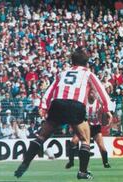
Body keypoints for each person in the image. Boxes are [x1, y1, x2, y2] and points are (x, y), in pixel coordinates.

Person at [14, 48, 115, 180]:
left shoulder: (62, 73)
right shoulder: (88, 74)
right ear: (86, 63)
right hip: (75, 104)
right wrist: (107, 109)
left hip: (58, 103)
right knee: (85, 139)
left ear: (72, 61)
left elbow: (50, 89)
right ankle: (82, 172)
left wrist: (43, 106)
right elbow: (101, 91)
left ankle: (25, 162)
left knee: (41, 136)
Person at [65, 93, 111, 169]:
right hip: (83, 127)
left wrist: (108, 118)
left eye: (94, 94)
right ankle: (71, 162)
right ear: (89, 94)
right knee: (73, 142)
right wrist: (72, 126)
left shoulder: (99, 104)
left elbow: (108, 114)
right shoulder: (83, 102)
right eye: (92, 93)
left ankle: (105, 163)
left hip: (95, 127)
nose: (94, 95)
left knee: (102, 147)